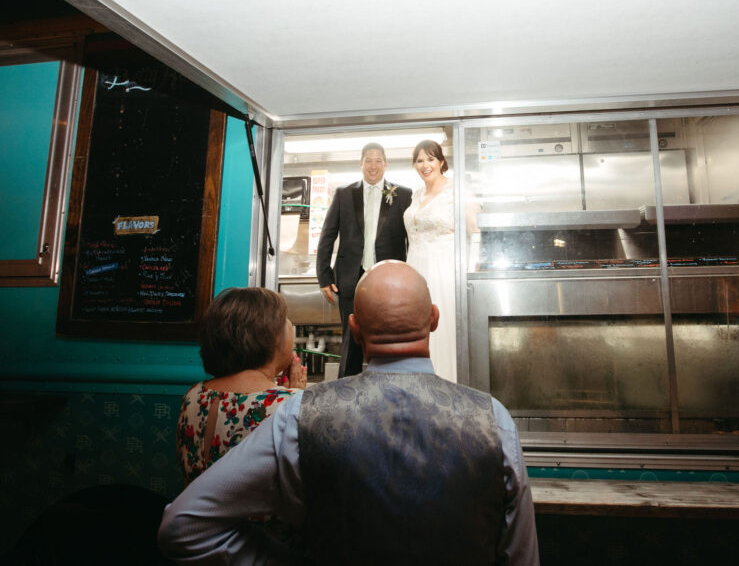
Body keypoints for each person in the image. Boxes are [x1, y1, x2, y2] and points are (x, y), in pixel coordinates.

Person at [159, 261, 540, 566]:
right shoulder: (494, 419)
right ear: (434, 319)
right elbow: (520, 555)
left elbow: (182, 526)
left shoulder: (299, 416)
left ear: (354, 329)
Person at [176, 287, 306, 482]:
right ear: (269, 336)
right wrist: (297, 398)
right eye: (285, 320)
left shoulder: (194, 395)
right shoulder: (289, 405)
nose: (290, 326)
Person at [316, 142, 412, 376]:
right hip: (350, 276)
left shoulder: (403, 195)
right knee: (352, 339)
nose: (373, 165)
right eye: (368, 160)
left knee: (388, 336)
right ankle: (346, 392)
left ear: (386, 164)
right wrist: (324, 277)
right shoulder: (344, 194)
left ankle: (389, 386)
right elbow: (328, 235)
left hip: (388, 278)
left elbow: (412, 237)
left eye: (378, 160)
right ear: (360, 163)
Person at [404, 139, 457, 381]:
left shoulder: (455, 191)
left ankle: (445, 382)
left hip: (442, 269)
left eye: (430, 159)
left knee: (441, 327)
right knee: (416, 327)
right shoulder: (416, 195)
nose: (425, 165)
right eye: (419, 160)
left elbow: (474, 231)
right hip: (415, 268)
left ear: (442, 161)